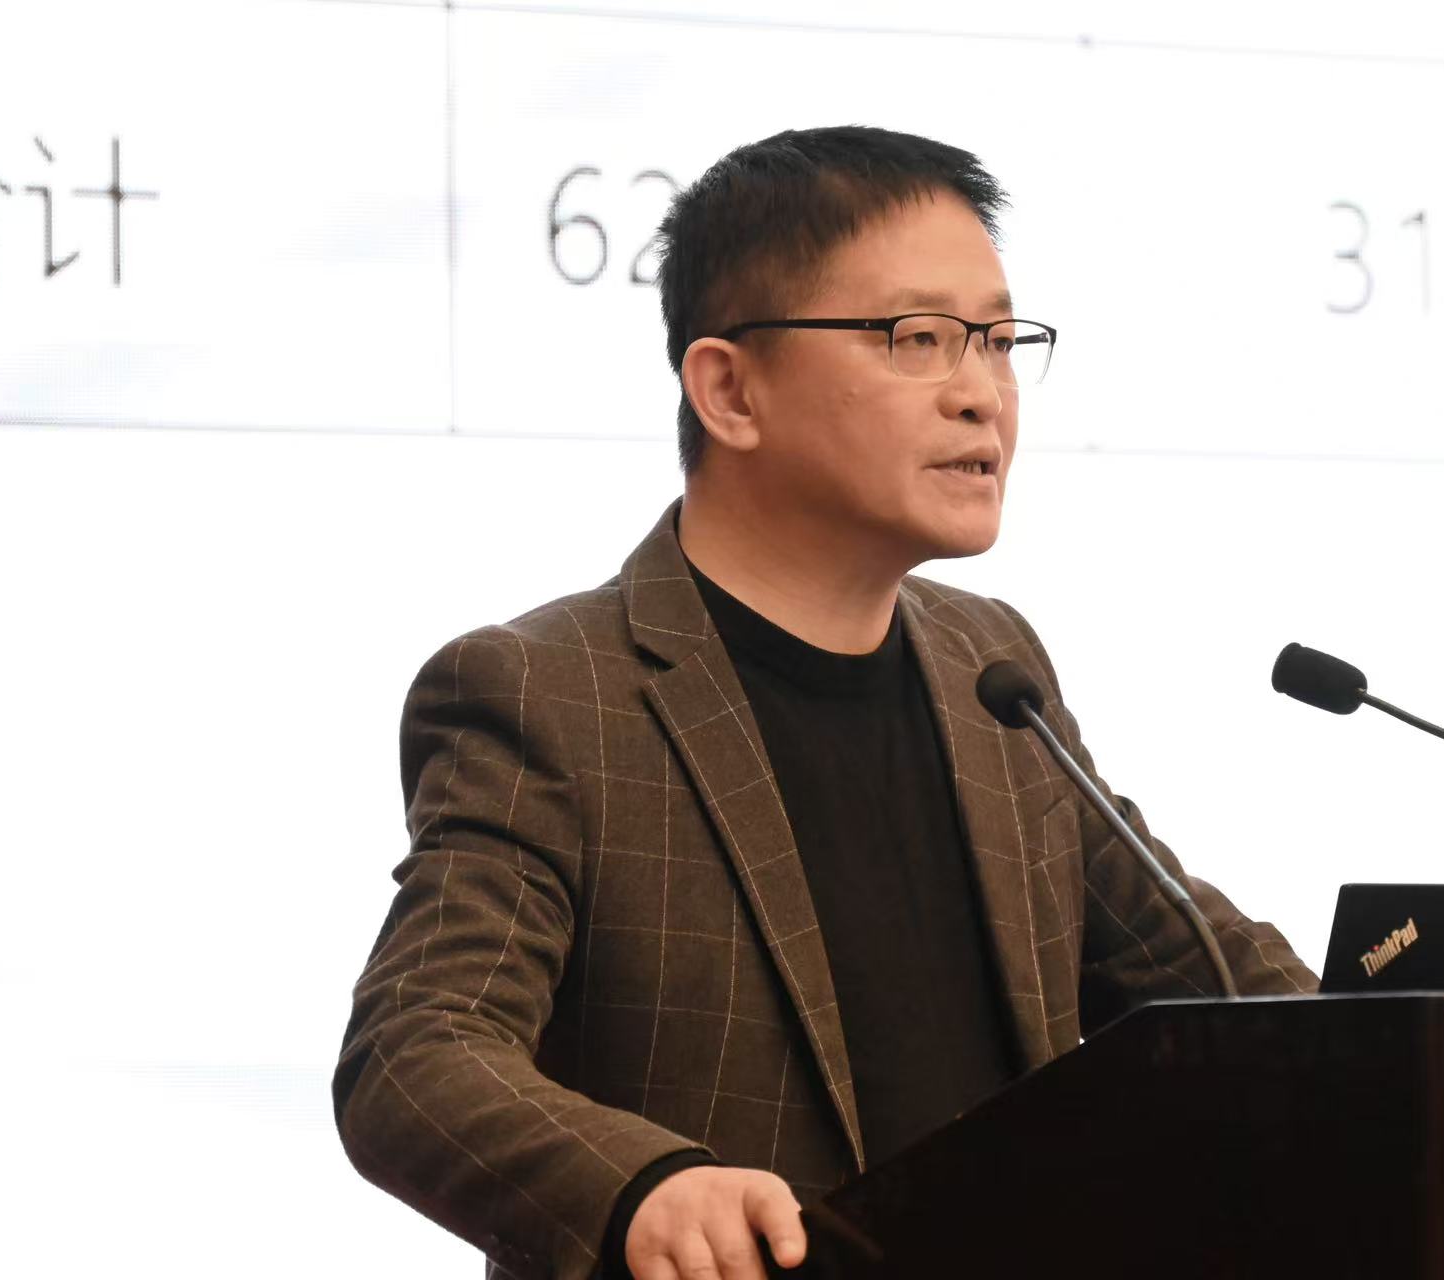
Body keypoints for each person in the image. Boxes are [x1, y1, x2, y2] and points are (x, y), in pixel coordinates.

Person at [333, 124, 1317, 1280]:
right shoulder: (551, 693)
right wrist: (643, 1186)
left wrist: (1434, 1021)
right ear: (729, 389)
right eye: (918, 338)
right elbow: (416, 1049)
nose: (981, 395)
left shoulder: (992, 666)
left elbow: (1207, 976)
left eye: (1000, 342)